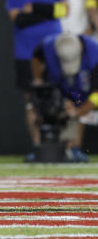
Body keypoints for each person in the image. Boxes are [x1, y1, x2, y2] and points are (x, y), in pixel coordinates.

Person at [6, 0, 69, 162]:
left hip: (55, 52)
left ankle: (64, 149)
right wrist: (48, 11)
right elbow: (18, 19)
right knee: (32, 101)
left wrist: (33, 9)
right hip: (26, 52)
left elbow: (63, 10)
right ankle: (37, 147)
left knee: (62, 99)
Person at [32, 31, 98, 162]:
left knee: (80, 107)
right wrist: (38, 79)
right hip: (58, 86)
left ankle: (74, 148)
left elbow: (96, 94)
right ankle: (39, 148)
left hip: (83, 90)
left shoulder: (95, 54)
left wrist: (78, 111)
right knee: (38, 105)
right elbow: (35, 58)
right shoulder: (47, 46)